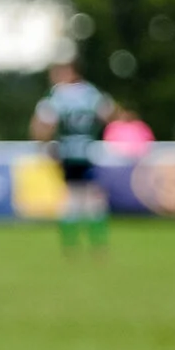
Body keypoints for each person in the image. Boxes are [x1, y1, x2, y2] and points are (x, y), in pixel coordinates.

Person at [31, 60, 112, 252]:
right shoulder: (91, 92)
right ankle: (98, 243)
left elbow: (43, 124)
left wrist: (43, 145)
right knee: (93, 199)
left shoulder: (57, 95)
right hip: (88, 151)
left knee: (71, 199)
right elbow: (108, 113)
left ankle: (70, 244)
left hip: (67, 152)